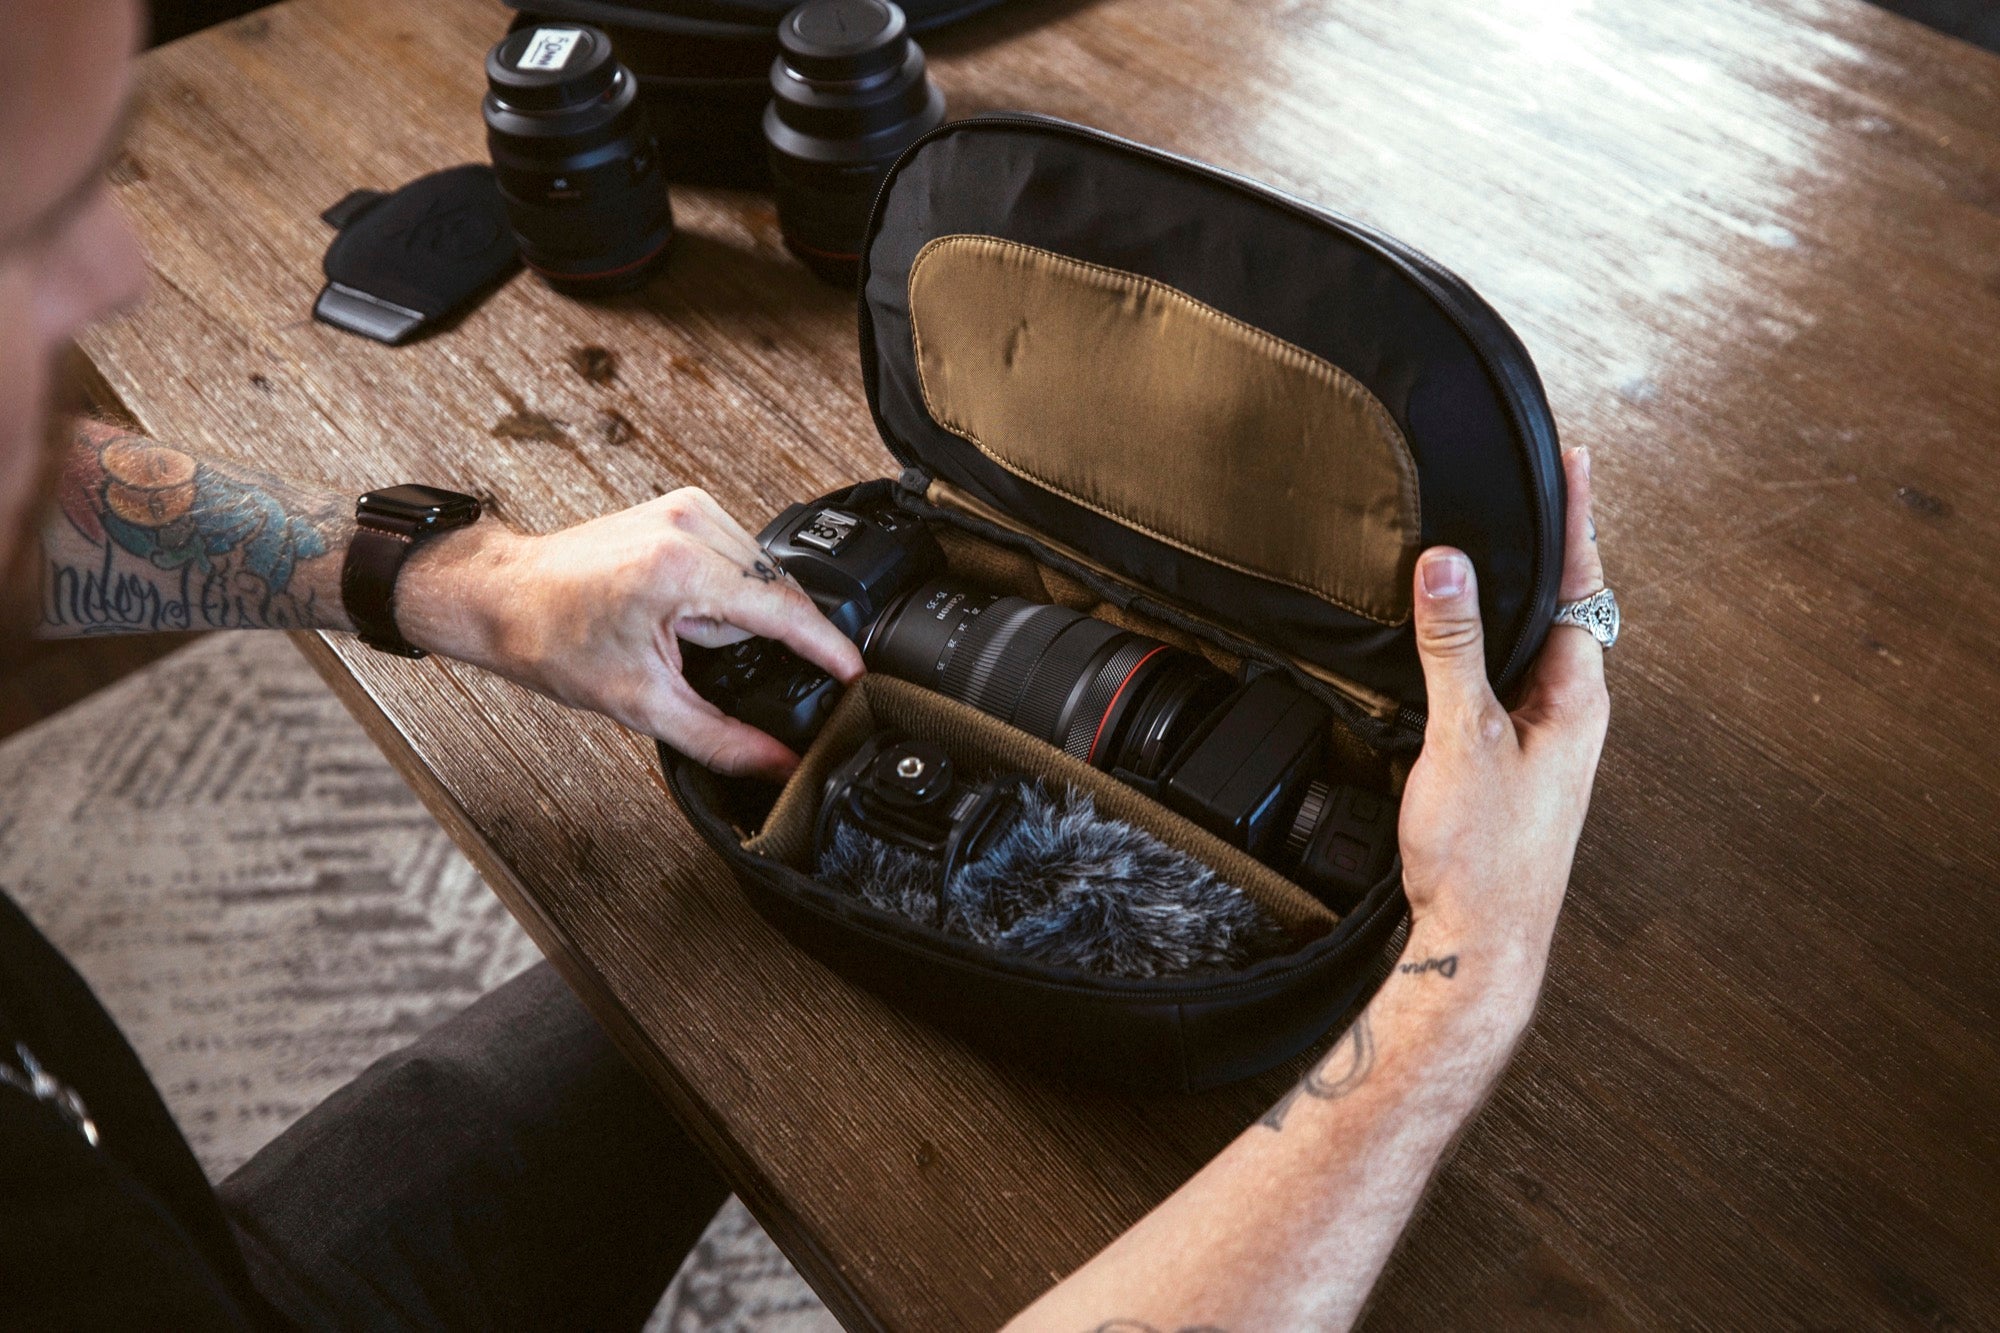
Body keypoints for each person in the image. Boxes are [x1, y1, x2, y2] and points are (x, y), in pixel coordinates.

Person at [0, 1, 1609, 1328]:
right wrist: (1471, 981)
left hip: (182, 1239)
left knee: (677, 1002)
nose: (118, 276)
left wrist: (455, 576)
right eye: (38, 212)